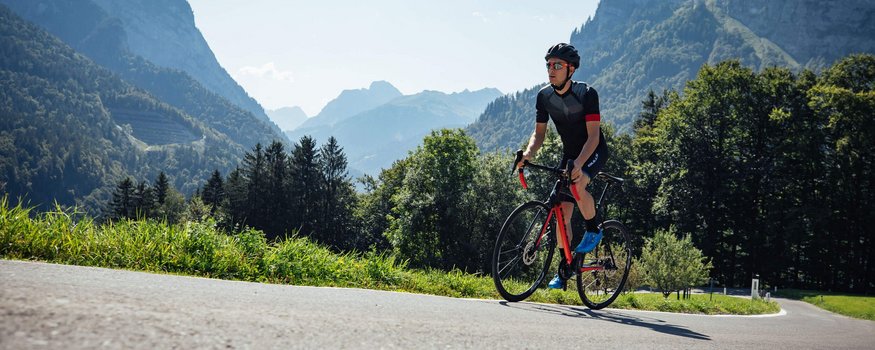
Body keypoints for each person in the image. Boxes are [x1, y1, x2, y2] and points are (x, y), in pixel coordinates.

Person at [515, 43, 610, 289]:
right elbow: (539, 136)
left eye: (557, 65)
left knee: (578, 184)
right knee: (561, 213)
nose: (551, 70)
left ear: (571, 69)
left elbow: (593, 137)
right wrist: (527, 154)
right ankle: (565, 268)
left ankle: (593, 229)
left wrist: (579, 164)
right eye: (548, 65)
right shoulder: (544, 96)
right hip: (569, 154)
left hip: (593, 149)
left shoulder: (587, 94)